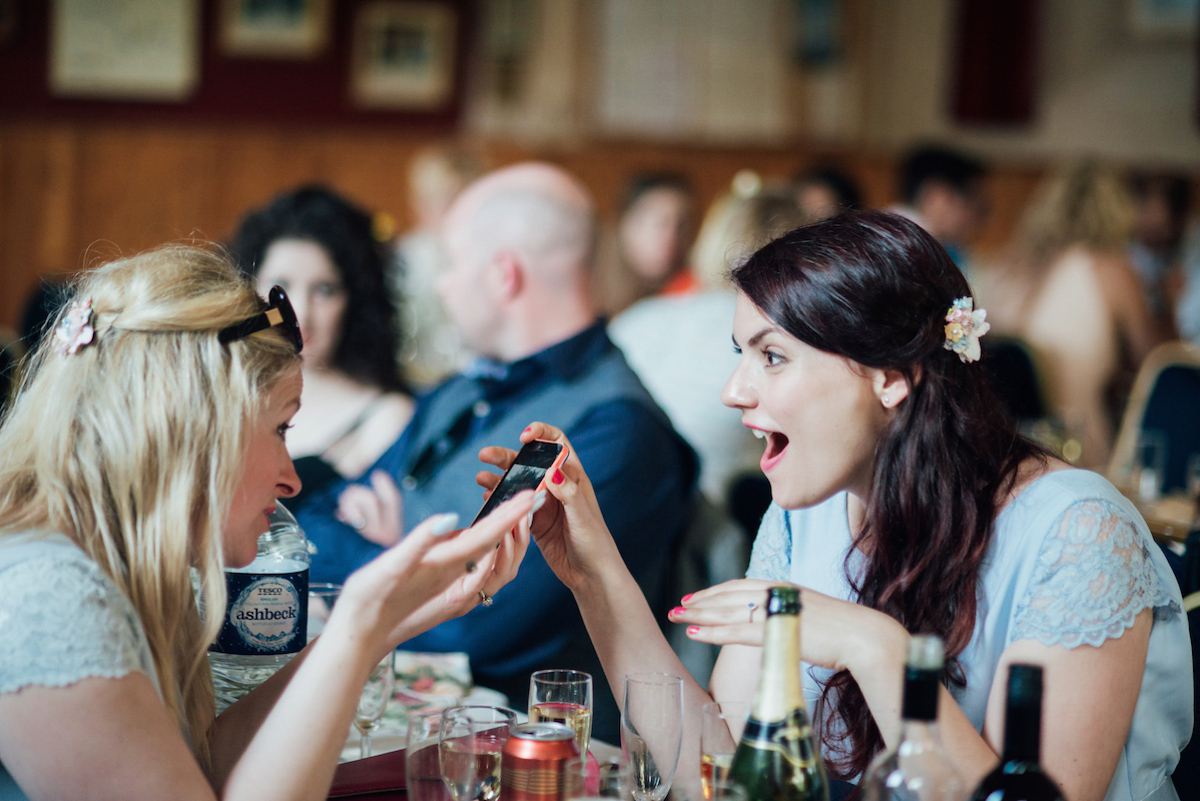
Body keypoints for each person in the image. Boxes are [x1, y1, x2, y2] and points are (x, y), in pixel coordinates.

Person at [504, 211, 1190, 800]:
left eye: (772, 356)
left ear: (892, 376)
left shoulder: (1076, 532)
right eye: (741, 352)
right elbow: (720, 767)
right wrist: (594, 572)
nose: (734, 390)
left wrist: (873, 644)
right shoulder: (807, 514)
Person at [0, 245, 536, 801]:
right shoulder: (46, 597)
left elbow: (206, 763)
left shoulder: (103, 558)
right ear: (190, 431)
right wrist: (353, 631)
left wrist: (390, 621)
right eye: (282, 428)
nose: (292, 480)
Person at [292, 162, 698, 743]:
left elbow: (474, 631)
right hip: (405, 713)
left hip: (525, 754)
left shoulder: (615, 429)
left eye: (453, 263)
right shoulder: (460, 390)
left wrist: (397, 554)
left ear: (503, 275)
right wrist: (415, 564)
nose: (443, 285)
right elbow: (322, 511)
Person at [228, 186, 414, 512]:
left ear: (354, 301)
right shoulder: (219, 393)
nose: (299, 312)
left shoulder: (386, 417)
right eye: (280, 288)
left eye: (324, 290)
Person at [977, 162, 1160, 470]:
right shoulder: (1113, 270)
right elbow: (1155, 368)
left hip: (998, 457)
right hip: (1077, 457)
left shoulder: (1003, 266)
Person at [392, 144, 485, 386]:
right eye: (439, 198)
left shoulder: (489, 257)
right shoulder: (408, 260)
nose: (455, 210)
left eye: (463, 197)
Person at [595, 172, 698, 316]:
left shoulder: (695, 295)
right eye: (658, 223)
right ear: (622, 224)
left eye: (680, 225)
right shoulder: (590, 291)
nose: (670, 237)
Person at [892, 144, 987, 280]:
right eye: (973, 204)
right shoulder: (897, 249)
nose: (976, 217)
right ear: (939, 198)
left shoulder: (947, 250)